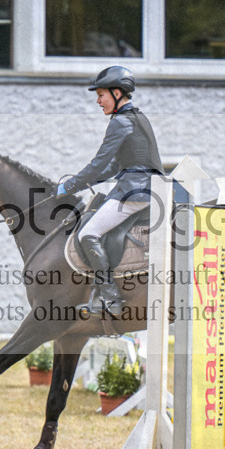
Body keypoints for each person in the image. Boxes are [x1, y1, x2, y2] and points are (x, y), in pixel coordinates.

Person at [56, 66, 164, 316]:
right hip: (145, 187)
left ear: (117, 93)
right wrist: (85, 182)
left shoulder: (120, 122)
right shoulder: (138, 117)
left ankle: (109, 296)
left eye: (101, 95)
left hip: (135, 191)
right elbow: (115, 166)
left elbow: (99, 163)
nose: (97, 101)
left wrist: (68, 186)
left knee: (88, 233)